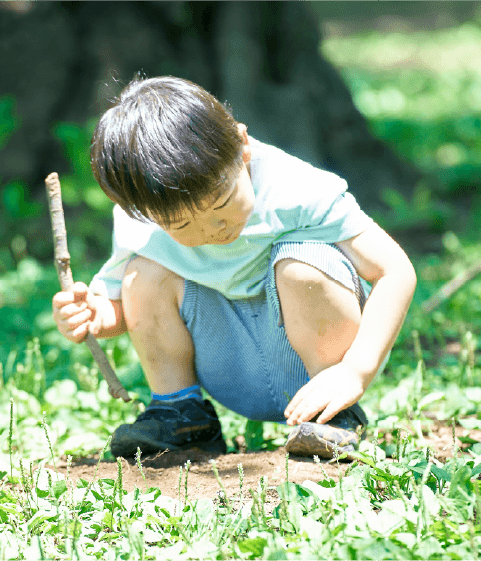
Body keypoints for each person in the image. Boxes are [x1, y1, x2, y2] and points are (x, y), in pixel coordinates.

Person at [52, 75, 416, 459]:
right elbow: (121, 306)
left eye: (222, 203)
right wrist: (93, 316)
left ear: (242, 147)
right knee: (143, 273)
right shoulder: (143, 220)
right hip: (229, 365)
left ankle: (335, 419)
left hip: (320, 371)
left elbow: (394, 270)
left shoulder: (297, 189)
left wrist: (354, 372)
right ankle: (181, 413)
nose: (213, 228)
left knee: (303, 266)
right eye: (182, 225)